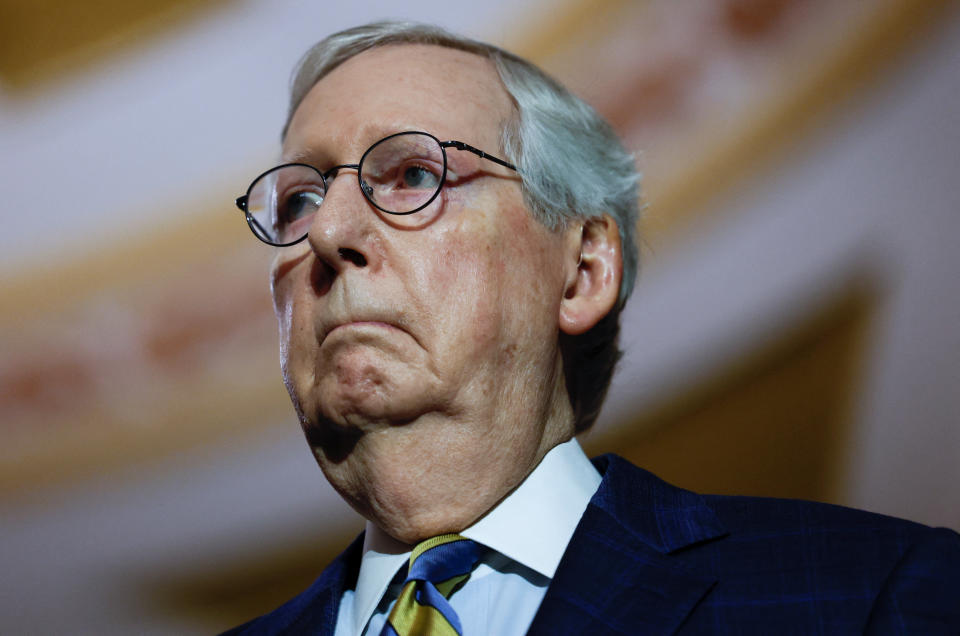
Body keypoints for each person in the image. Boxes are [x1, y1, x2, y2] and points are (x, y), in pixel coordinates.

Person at [225, 21, 959, 636]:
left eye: (414, 174)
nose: (327, 232)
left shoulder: (875, 596)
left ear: (581, 273)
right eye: (298, 201)